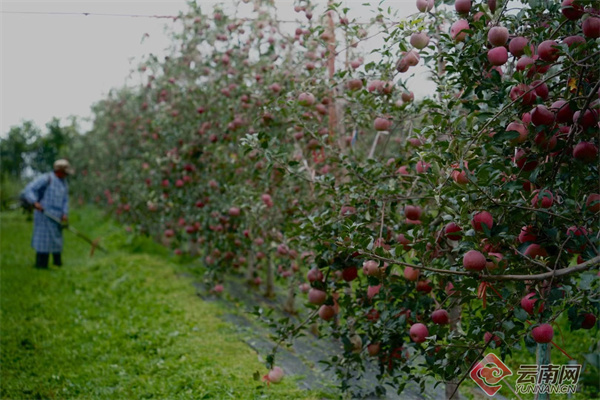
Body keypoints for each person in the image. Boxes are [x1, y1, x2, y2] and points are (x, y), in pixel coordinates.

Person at [22, 159, 73, 269]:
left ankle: (57, 263)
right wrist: (34, 202)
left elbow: (65, 200)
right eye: (64, 172)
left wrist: (64, 213)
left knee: (57, 240)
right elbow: (29, 189)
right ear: (59, 171)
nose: (66, 175)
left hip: (57, 216)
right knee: (43, 240)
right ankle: (41, 264)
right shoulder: (46, 178)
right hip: (43, 214)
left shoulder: (64, 183)